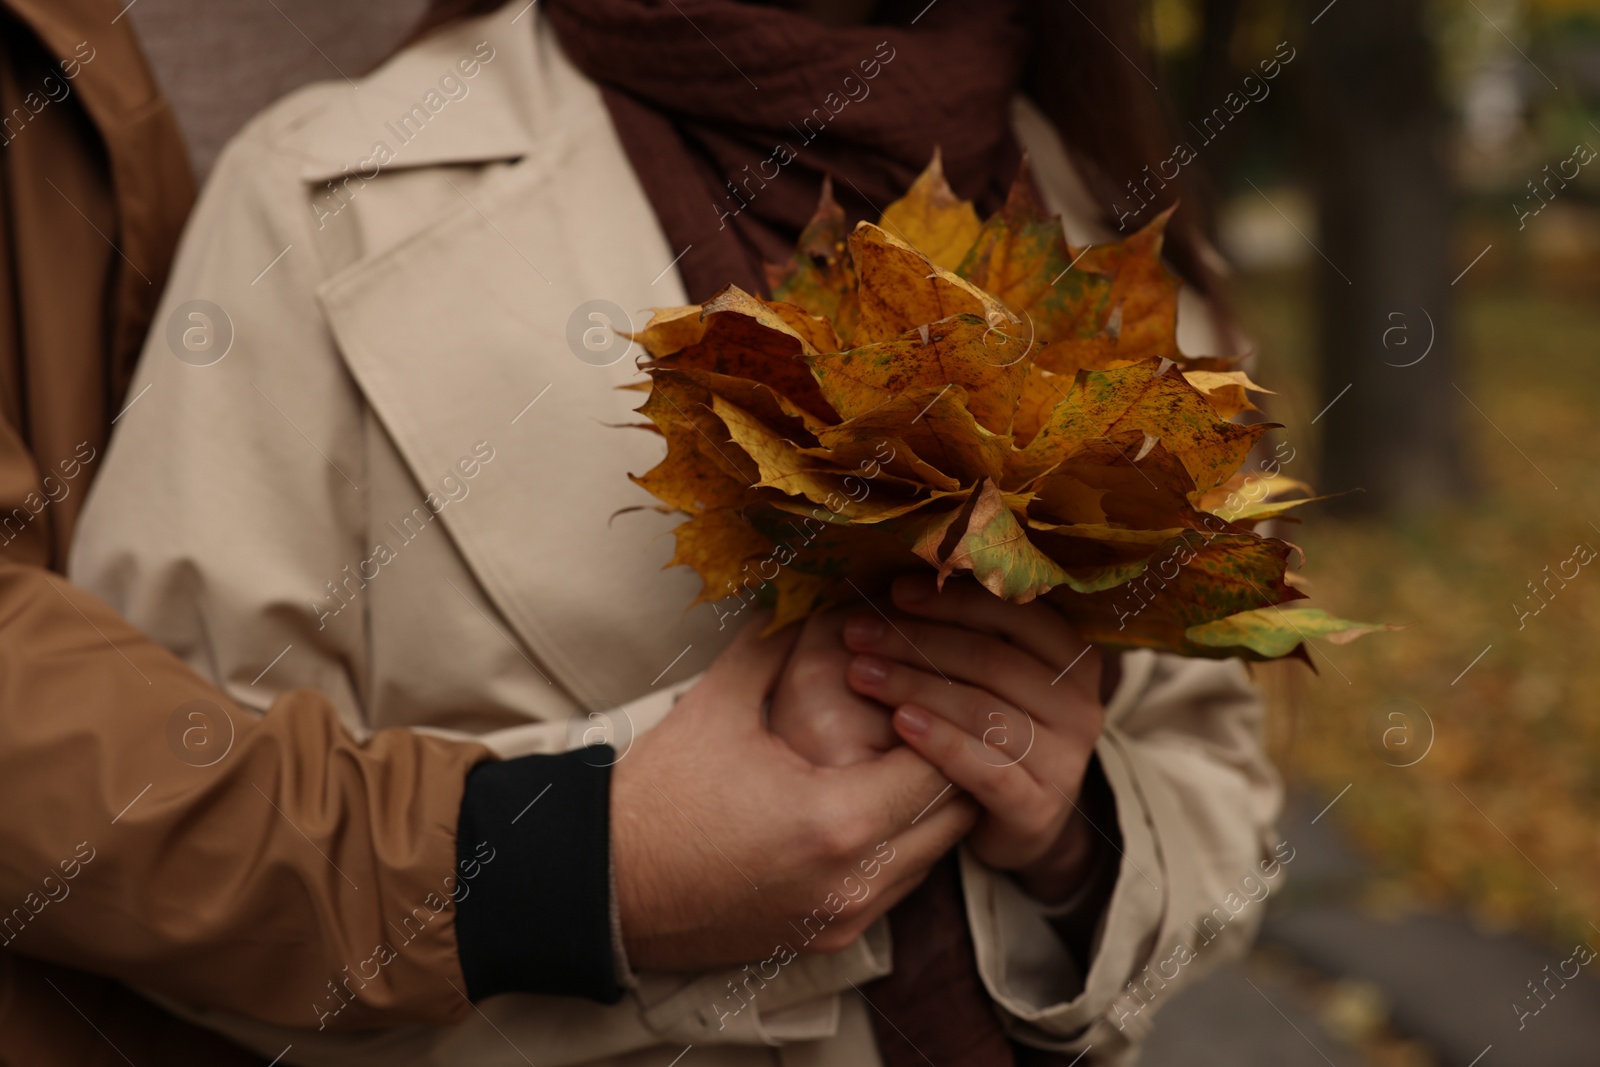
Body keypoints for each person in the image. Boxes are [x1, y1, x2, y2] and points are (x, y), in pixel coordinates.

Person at [62, 2, 1282, 1065]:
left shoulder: (1123, 226)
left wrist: (1076, 838)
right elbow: (153, 851)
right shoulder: (322, 194)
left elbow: (1220, 788)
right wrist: (601, 863)